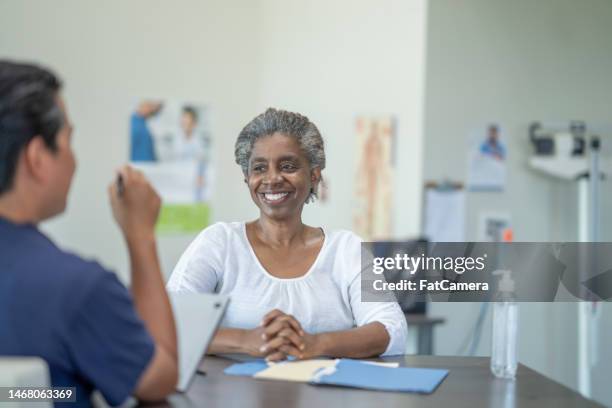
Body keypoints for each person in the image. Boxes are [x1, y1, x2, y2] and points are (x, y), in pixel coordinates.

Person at [0, 61, 177, 407]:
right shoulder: (77, 289)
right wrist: (140, 235)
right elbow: (159, 379)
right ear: (37, 157)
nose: (73, 159)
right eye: (68, 140)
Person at [167, 108, 407, 361]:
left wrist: (314, 343)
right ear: (247, 178)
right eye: (259, 168)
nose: (272, 178)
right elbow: (167, 323)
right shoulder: (219, 242)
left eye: (288, 166)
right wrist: (245, 340)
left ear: (314, 175)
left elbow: (393, 329)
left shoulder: (346, 249)